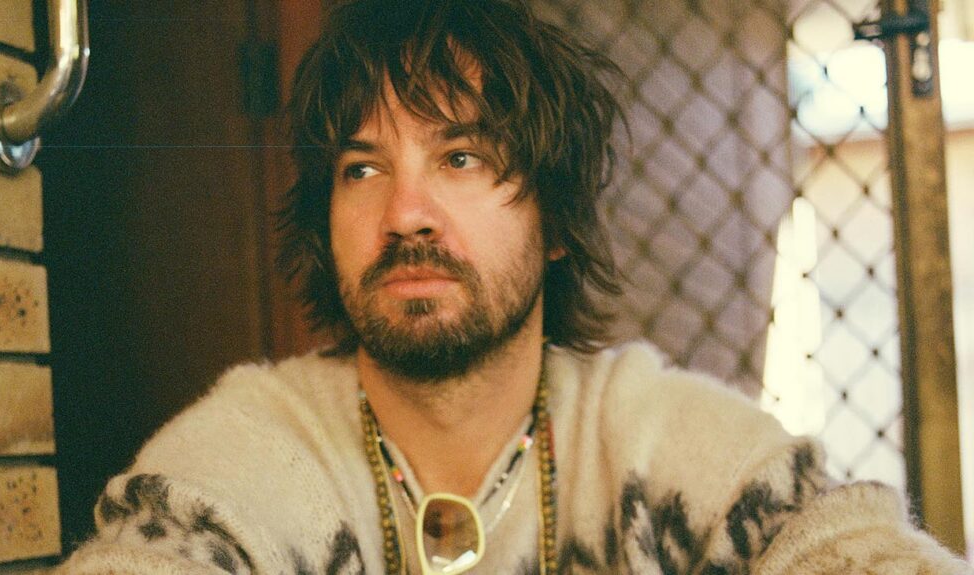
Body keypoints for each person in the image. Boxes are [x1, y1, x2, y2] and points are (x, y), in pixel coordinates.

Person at [59, 1, 972, 573]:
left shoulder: (650, 435)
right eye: (361, 168)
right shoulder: (261, 444)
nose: (406, 212)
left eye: (460, 156)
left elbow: (837, 541)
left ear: (560, 218)